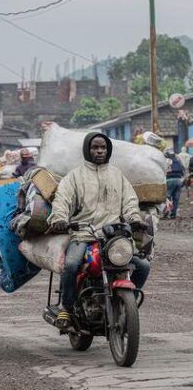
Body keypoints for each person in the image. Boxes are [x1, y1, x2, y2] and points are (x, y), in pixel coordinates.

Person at [49, 133, 150, 328]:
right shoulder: (75, 176)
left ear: (108, 150)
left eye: (103, 147)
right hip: (82, 234)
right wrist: (60, 218)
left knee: (143, 266)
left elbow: (129, 201)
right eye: (95, 147)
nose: (99, 151)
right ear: (88, 149)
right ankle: (66, 308)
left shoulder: (117, 175)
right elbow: (62, 199)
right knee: (70, 265)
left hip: (112, 236)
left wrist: (134, 219)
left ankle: (125, 305)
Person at [165, 149, 185, 219]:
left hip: (169, 180)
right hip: (178, 181)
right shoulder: (178, 160)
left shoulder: (167, 161)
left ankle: (166, 213)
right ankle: (173, 214)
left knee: (167, 198)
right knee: (176, 199)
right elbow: (183, 171)